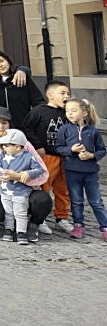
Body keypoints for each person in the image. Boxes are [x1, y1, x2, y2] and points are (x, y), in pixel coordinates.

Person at [0, 107, 51, 239]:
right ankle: (11, 225)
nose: (1, 126)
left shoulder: (23, 144)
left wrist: (21, 176)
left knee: (43, 200)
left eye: (4, 123)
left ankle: (33, 224)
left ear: (10, 124)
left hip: (25, 189)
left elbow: (43, 172)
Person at [23, 80, 72, 233]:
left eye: (68, 93)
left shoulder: (68, 112)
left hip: (65, 156)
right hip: (48, 156)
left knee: (63, 188)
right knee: (44, 186)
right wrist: (38, 146)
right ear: (50, 95)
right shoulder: (38, 111)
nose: (67, 96)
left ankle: (62, 217)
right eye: (62, 93)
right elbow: (27, 128)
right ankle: (40, 217)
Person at [56, 98, 107, 241]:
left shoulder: (93, 131)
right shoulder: (64, 129)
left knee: (96, 201)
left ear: (84, 113)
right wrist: (71, 150)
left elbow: (102, 150)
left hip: (90, 172)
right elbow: (59, 148)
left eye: (74, 110)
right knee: (76, 200)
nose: (70, 114)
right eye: (67, 111)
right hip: (72, 171)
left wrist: (92, 155)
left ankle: (104, 227)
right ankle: (78, 225)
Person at [0, 127, 41, 245]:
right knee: (8, 211)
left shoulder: (28, 157)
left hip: (21, 191)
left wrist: (27, 174)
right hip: (5, 190)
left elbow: (39, 169)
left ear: (17, 147)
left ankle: (21, 232)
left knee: (20, 211)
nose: (3, 148)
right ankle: (9, 229)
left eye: (6, 145)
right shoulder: (3, 155)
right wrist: (2, 172)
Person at [0, 49, 44, 131]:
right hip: (1, 129)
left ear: (7, 60)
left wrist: (33, 121)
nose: (0, 65)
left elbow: (38, 101)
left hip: (24, 127)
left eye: (1, 61)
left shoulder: (22, 78)